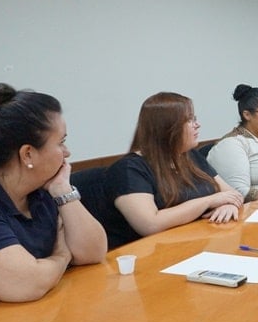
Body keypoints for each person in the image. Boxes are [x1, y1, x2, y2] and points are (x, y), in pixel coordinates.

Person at [0, 83, 106, 316]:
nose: (67, 153)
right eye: (61, 142)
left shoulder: (43, 188)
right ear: (28, 154)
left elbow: (93, 253)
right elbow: (26, 283)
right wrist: (62, 255)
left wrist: (63, 190)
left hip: (33, 318)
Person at [103, 92, 243, 249]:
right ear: (167, 128)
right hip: (152, 254)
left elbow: (232, 194)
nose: (197, 125)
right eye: (189, 120)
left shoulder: (189, 155)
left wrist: (228, 205)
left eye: (194, 119)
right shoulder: (129, 169)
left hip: (197, 242)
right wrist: (209, 201)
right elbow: (150, 224)